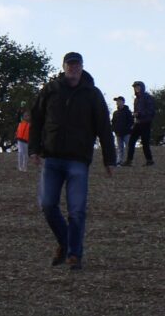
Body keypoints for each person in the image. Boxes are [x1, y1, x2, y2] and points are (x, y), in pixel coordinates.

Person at [28, 52, 116, 271]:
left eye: (77, 65)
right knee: (48, 205)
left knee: (77, 210)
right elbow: (37, 119)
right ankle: (66, 241)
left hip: (78, 160)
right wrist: (34, 149)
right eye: (70, 65)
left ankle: (74, 255)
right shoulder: (51, 90)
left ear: (82, 67)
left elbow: (103, 126)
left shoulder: (92, 94)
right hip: (52, 157)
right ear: (64, 67)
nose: (73, 68)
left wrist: (109, 159)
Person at [124, 80, 156, 166]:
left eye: (138, 86)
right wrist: (135, 115)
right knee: (131, 142)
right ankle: (129, 161)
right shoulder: (136, 100)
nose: (136, 88)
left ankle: (149, 160)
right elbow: (137, 111)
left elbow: (151, 111)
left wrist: (140, 114)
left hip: (146, 123)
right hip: (138, 123)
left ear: (142, 87)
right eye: (135, 87)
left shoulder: (148, 97)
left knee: (145, 143)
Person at [110, 96, 133, 168]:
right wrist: (114, 129)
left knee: (128, 147)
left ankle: (129, 161)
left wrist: (127, 129)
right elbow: (113, 122)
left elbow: (131, 122)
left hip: (126, 133)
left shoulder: (127, 112)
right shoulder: (115, 113)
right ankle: (119, 161)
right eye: (117, 101)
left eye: (119, 101)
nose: (117, 102)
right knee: (120, 148)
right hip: (118, 133)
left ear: (123, 102)